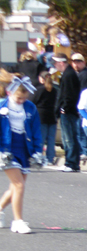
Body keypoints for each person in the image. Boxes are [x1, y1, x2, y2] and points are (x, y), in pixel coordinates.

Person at [0, 76, 44, 234]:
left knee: (15, 186)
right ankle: (17, 221)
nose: (21, 101)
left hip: (24, 148)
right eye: (19, 98)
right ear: (9, 92)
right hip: (6, 149)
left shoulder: (30, 107)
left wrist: (38, 150)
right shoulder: (1, 106)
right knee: (19, 185)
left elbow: (36, 129)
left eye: (24, 98)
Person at [53, 54, 82, 172]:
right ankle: (70, 161)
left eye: (56, 63)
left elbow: (69, 94)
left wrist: (64, 107)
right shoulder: (67, 74)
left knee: (69, 138)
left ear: (61, 62)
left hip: (69, 111)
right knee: (68, 138)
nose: (55, 65)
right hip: (69, 110)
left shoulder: (68, 75)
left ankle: (72, 163)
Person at [31, 70, 58, 165]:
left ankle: (39, 157)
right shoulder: (54, 90)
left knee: (41, 138)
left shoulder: (39, 89)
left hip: (41, 115)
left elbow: (33, 102)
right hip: (52, 115)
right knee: (51, 139)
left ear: (42, 79)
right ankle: (50, 158)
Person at [71, 53, 87, 162]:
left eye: (78, 62)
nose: (76, 65)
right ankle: (85, 151)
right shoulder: (79, 74)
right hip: (81, 107)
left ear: (84, 62)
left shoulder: (84, 75)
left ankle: (86, 152)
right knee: (80, 130)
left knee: (81, 131)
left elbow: (82, 92)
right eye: (74, 62)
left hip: (83, 107)